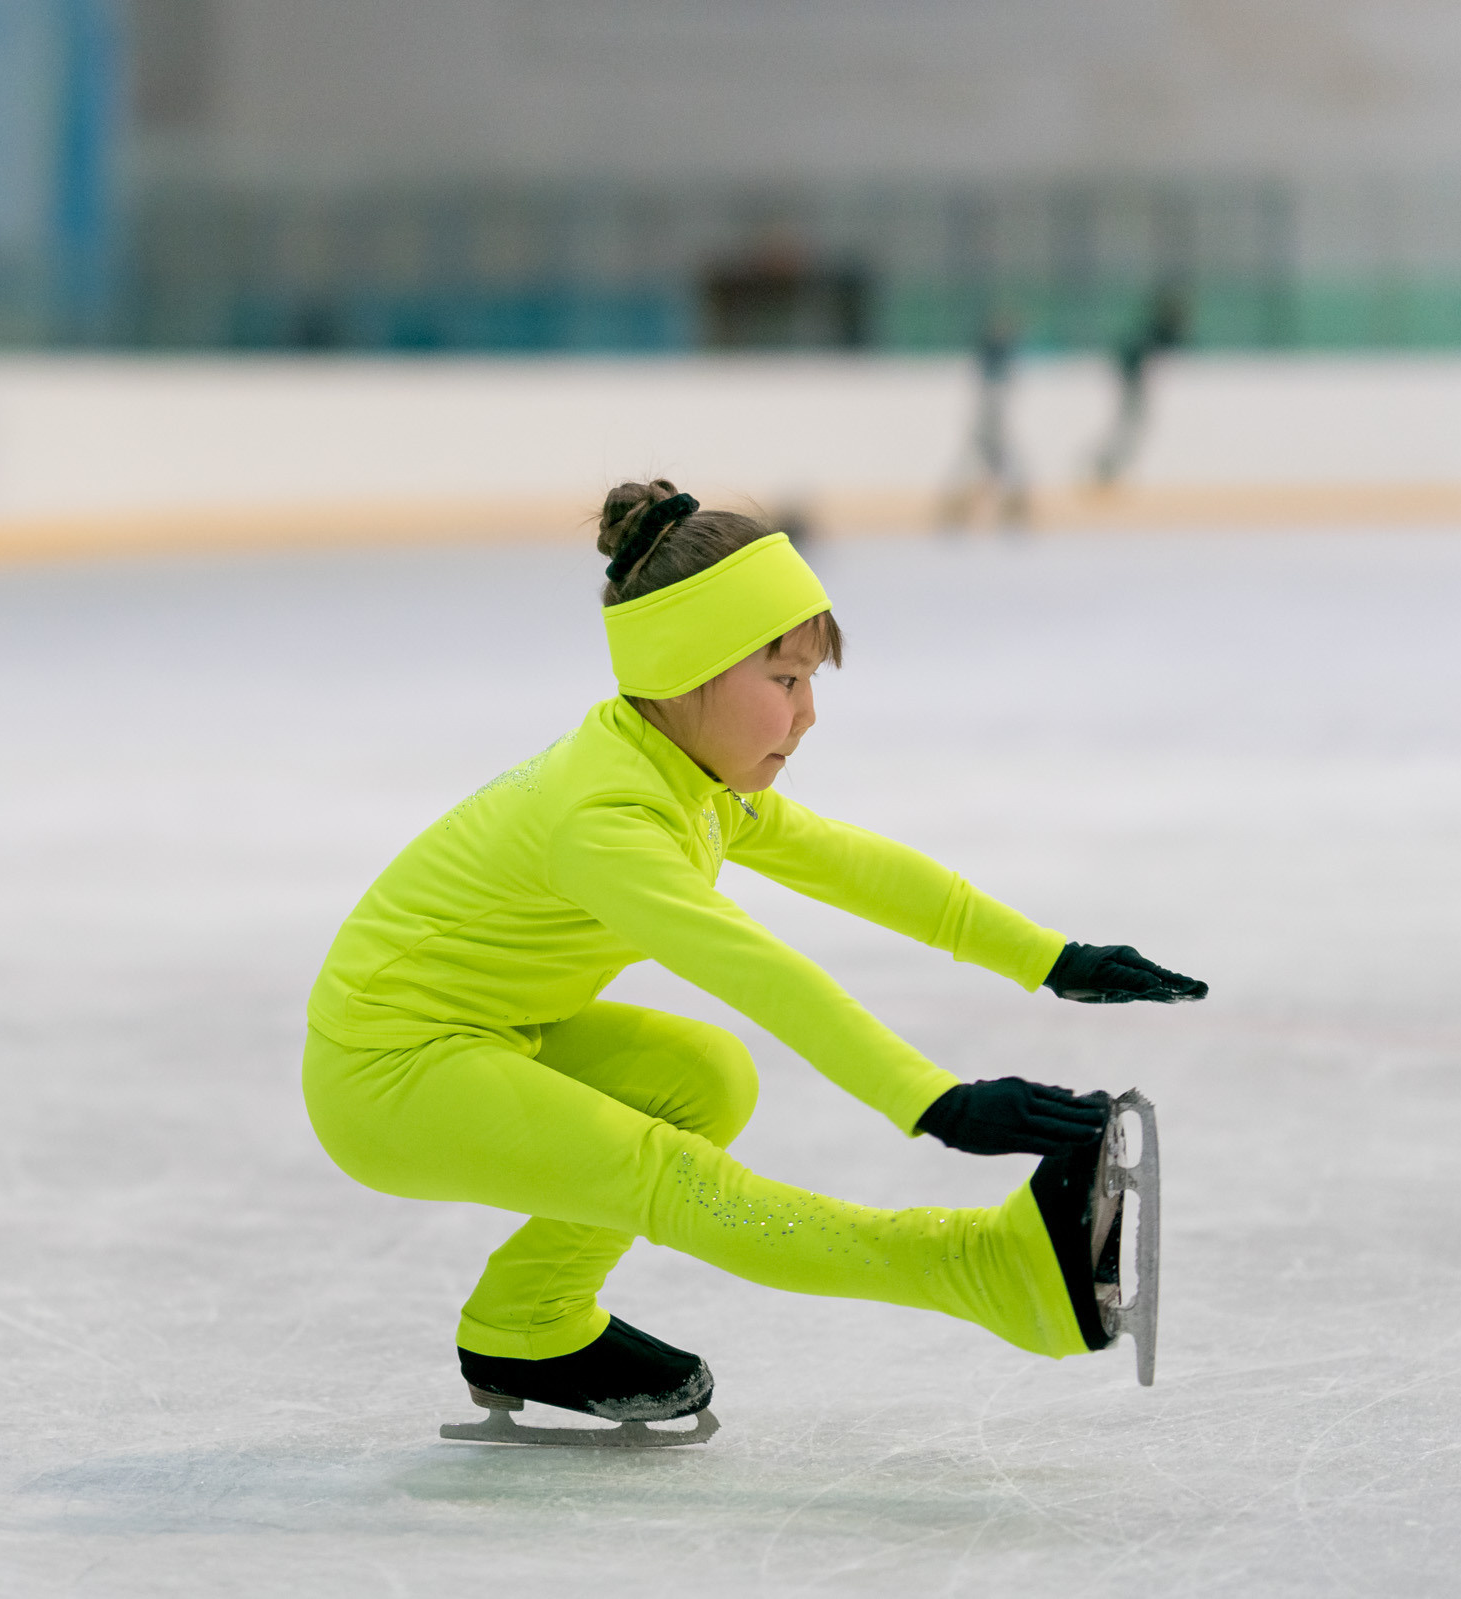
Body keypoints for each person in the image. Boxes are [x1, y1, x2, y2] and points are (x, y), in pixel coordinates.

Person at [302, 480, 1206, 1439]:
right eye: (783, 681)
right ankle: (982, 1268)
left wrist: (1052, 956)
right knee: (667, 1173)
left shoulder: (683, 775)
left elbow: (860, 868)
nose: (808, 712)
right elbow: (757, 969)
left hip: (483, 1031)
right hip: (386, 1070)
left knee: (706, 1076)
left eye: (812, 680)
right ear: (683, 669)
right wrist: (933, 1100)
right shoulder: (606, 821)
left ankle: (528, 1323)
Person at [940, 314, 1029, 529]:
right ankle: (959, 508)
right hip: (986, 426)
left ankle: (1010, 508)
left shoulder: (1000, 356)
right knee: (977, 465)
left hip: (992, 426)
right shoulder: (991, 356)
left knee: (1003, 466)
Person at [1094, 284, 1189, 483]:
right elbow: (1135, 356)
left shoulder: (1150, 331)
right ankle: (1107, 464)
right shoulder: (1152, 332)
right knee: (1131, 424)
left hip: (1133, 381)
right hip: (1133, 382)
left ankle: (1109, 464)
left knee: (1131, 424)